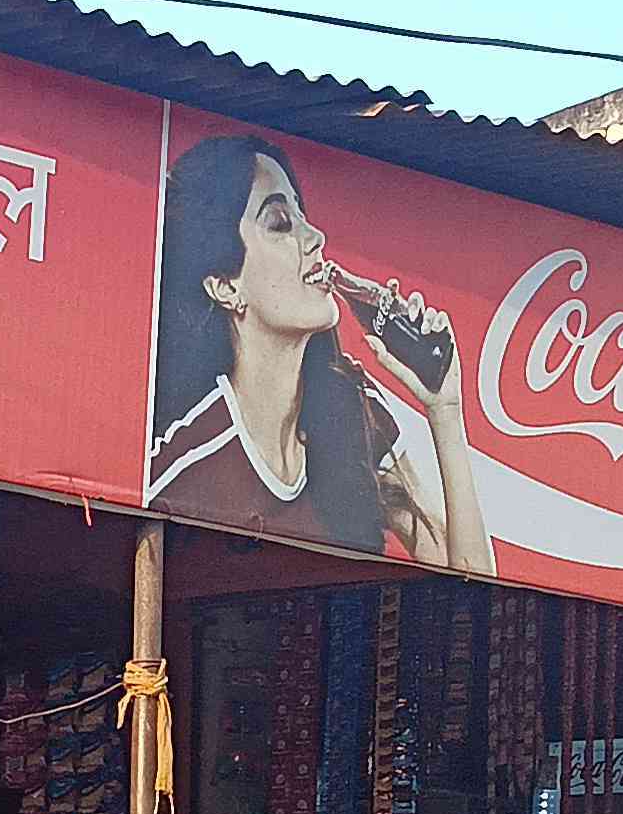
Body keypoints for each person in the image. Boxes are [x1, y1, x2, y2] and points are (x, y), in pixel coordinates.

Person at [143, 131, 496, 578]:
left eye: (302, 214)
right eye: (279, 223)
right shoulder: (187, 468)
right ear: (225, 286)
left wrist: (444, 409)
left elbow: (470, 578)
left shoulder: (349, 402)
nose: (315, 237)